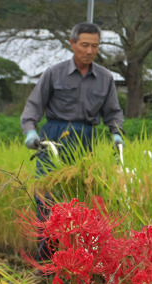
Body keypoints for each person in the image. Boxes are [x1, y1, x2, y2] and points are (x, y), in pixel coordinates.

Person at [20, 22, 124, 261]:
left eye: (94, 46)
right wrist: (30, 131)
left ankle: (77, 260)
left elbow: (113, 112)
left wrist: (116, 133)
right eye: (84, 45)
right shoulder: (54, 73)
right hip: (53, 139)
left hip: (86, 139)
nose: (89, 51)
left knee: (80, 199)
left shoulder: (105, 78)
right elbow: (34, 106)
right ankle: (46, 260)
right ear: (73, 44)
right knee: (47, 198)